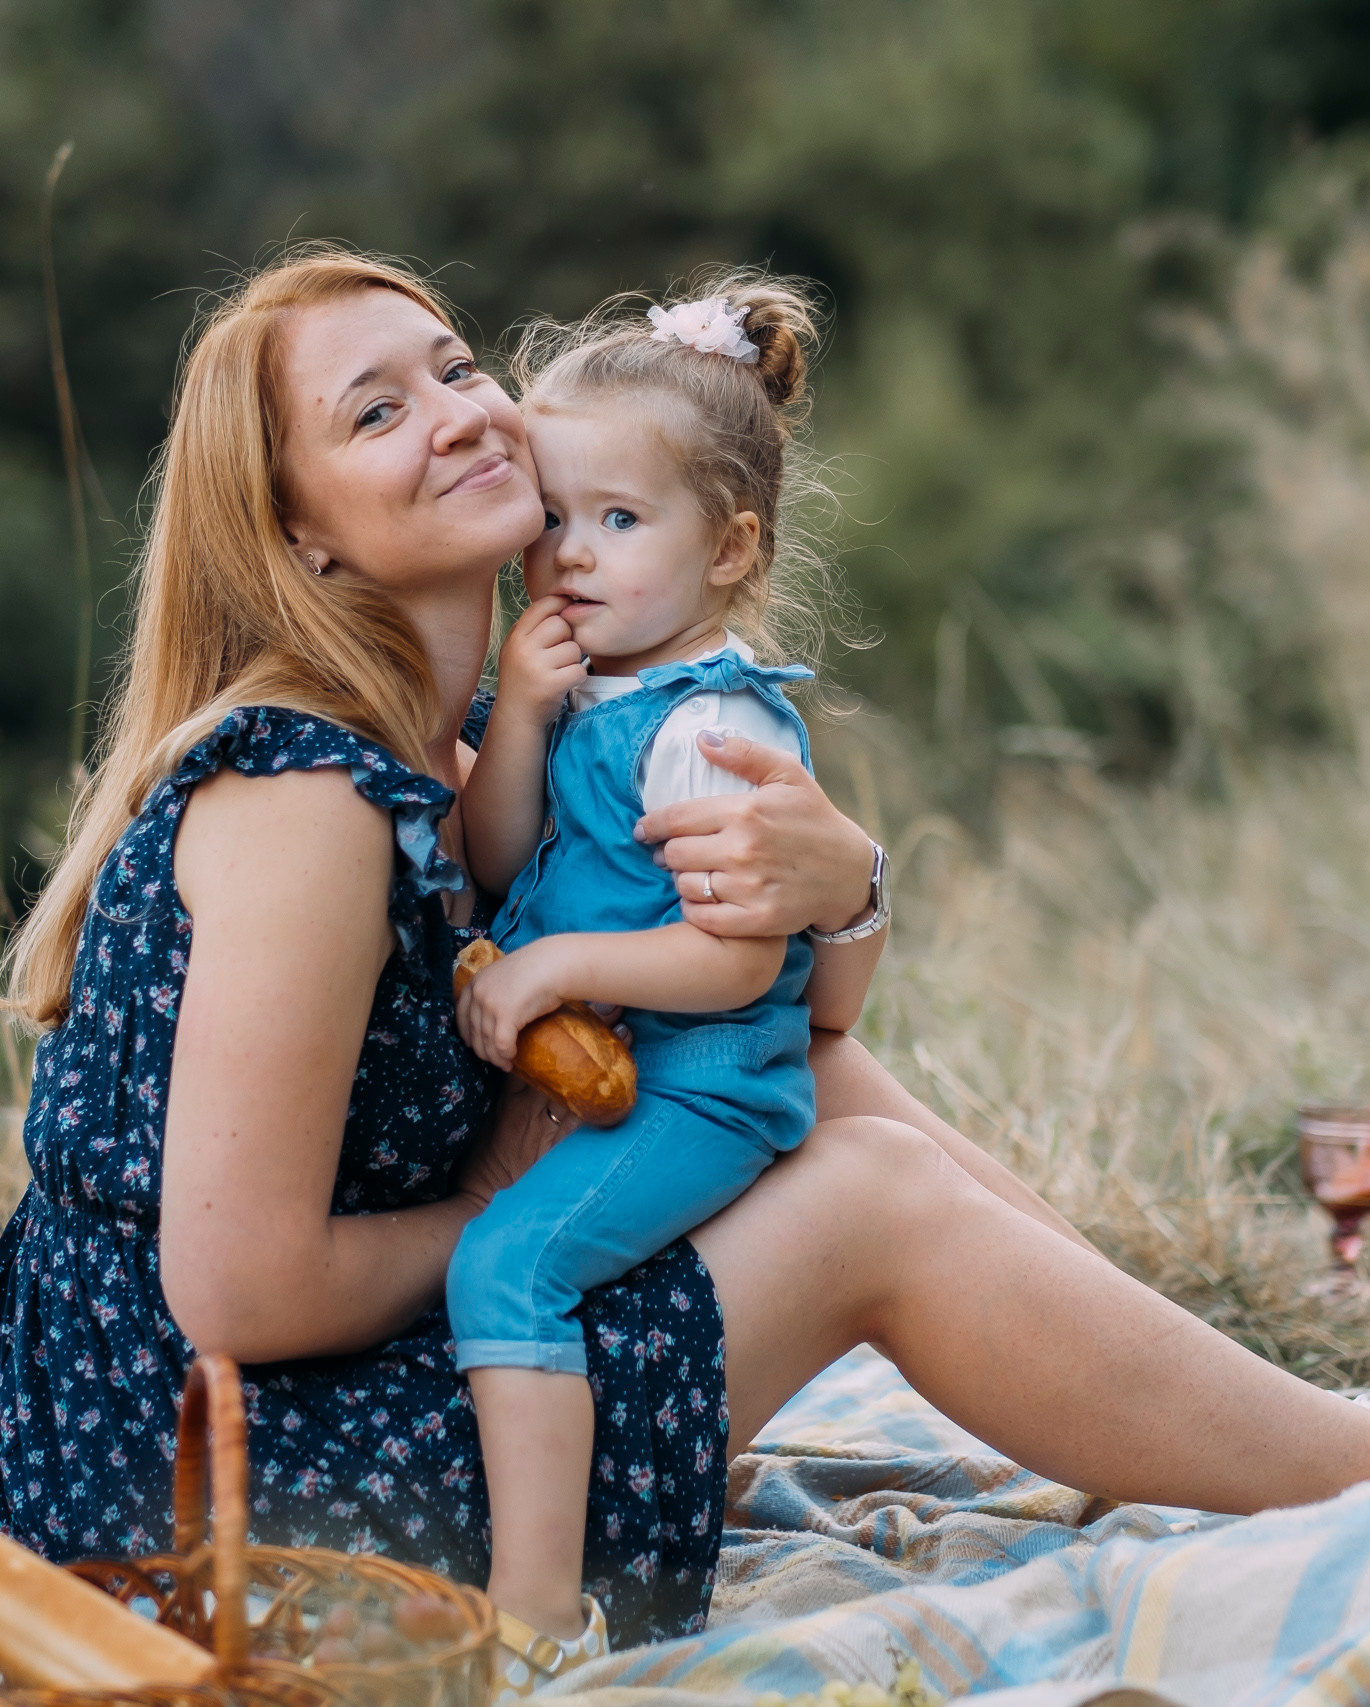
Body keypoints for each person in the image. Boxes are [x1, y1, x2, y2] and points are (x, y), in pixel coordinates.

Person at [0, 244, 1370, 1687]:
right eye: (376, 411)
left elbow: (806, 1029)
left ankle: (1248, 1405)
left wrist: (846, 890)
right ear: (301, 532)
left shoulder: (476, 757)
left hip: (309, 1412)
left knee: (803, 1076)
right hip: (227, 1496)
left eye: (456, 365)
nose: (461, 411)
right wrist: (499, 1202)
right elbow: (237, 1294)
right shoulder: (305, 801)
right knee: (869, 1204)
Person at [450, 275, 875, 1681]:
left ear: (731, 549)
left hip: (706, 1082)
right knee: (525, 1256)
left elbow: (737, 954)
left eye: (620, 521)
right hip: (632, 1070)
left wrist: (562, 961)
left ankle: (534, 1621)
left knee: (508, 1265)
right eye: (555, 519)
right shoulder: (591, 689)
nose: (573, 555)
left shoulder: (711, 728)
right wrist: (517, 712)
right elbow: (503, 853)